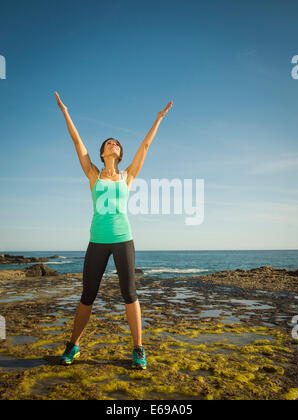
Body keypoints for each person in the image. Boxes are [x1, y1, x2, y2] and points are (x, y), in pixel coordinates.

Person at [54, 91, 173, 369]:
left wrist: (158, 119)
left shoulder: (127, 176)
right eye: (109, 143)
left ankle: (138, 349)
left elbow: (145, 146)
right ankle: (73, 346)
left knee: (129, 294)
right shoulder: (93, 174)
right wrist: (65, 112)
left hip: (123, 239)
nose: (113, 144)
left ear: (120, 153)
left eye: (117, 143)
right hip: (97, 241)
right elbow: (77, 142)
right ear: (102, 152)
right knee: (87, 295)